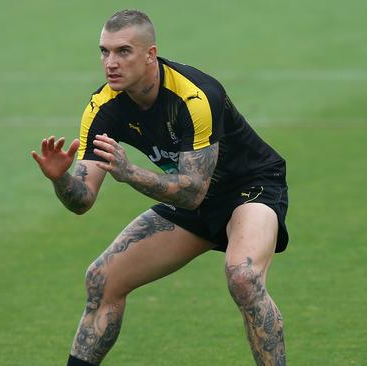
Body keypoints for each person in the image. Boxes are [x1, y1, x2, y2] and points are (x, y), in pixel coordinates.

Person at [31, 9, 289, 366]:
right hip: (188, 194)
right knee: (102, 280)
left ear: (150, 54)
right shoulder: (102, 108)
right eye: (104, 51)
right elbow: (82, 199)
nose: (111, 63)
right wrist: (61, 178)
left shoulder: (195, 96)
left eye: (123, 51)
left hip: (250, 188)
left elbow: (192, 192)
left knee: (243, 278)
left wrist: (130, 172)